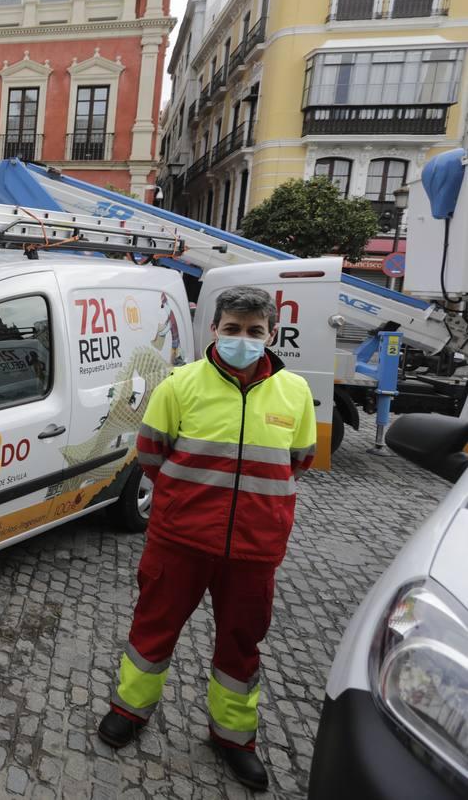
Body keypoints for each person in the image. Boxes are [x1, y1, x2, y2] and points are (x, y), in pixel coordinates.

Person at [97, 286, 316, 791]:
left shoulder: (296, 393)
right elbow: (150, 454)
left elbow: (300, 460)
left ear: (271, 334)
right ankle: (130, 711)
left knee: (241, 644)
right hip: (179, 540)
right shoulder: (179, 385)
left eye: (254, 331)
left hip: (254, 549)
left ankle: (233, 738)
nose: (243, 338)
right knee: (153, 629)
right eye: (233, 328)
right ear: (213, 329)